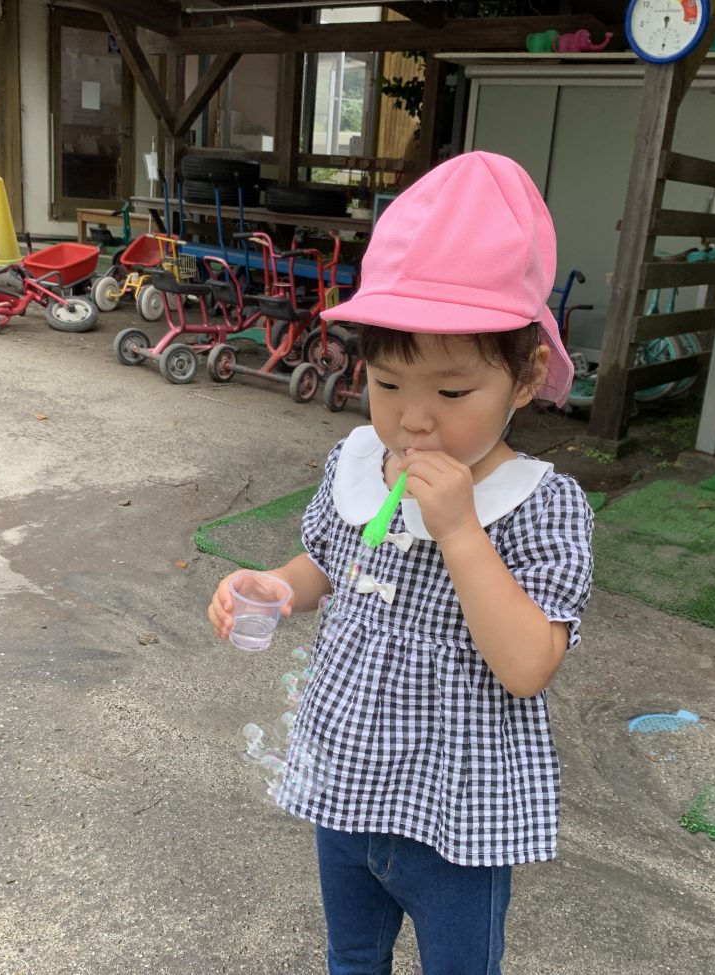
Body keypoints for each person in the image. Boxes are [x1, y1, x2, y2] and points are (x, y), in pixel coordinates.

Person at [207, 151, 593, 974]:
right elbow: (328, 563)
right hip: (347, 781)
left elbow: (528, 665)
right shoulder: (358, 462)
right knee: (352, 957)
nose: (414, 420)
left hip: (458, 814)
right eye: (387, 384)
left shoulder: (540, 505)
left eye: (451, 393)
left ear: (526, 377)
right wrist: (275, 585)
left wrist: (461, 533)